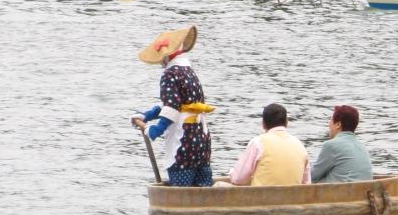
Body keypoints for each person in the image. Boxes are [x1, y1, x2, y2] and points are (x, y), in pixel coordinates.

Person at [132, 24, 213, 187]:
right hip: (201, 142)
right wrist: (147, 115)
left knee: (181, 192)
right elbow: (180, 103)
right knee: (204, 188)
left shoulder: (170, 74)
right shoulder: (189, 71)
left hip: (183, 143)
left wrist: (156, 130)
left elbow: (172, 108)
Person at [227, 103, 310, 186]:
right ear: (287, 122)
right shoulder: (300, 145)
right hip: (294, 195)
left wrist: (232, 172)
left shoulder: (258, 143)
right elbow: (306, 183)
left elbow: (238, 179)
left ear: (263, 124)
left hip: (262, 195)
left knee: (222, 185)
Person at [311, 104, 373, 184]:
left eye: (331, 120)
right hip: (365, 190)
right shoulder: (362, 146)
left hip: (342, 191)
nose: (329, 124)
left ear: (338, 124)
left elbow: (312, 176)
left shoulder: (331, 145)